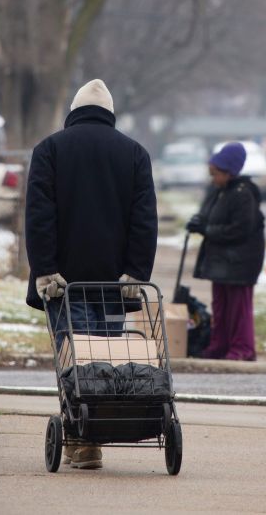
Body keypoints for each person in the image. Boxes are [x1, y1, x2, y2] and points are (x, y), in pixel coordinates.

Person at [24, 78, 158, 469]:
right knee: (105, 360)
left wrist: (46, 270)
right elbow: (144, 222)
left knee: (74, 361)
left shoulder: (49, 150)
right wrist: (134, 274)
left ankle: (83, 442)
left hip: (64, 285)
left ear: (74, 111)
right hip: (112, 287)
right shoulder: (134, 154)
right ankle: (94, 433)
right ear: (110, 114)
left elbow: (39, 217)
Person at [188, 142, 266, 361]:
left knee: (237, 309)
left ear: (229, 172)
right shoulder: (220, 191)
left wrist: (208, 230)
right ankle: (219, 344)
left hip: (240, 263)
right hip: (222, 261)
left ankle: (242, 348)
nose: (213, 178)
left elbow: (240, 229)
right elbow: (209, 215)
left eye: (216, 174)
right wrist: (199, 222)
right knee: (220, 306)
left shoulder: (243, 194)